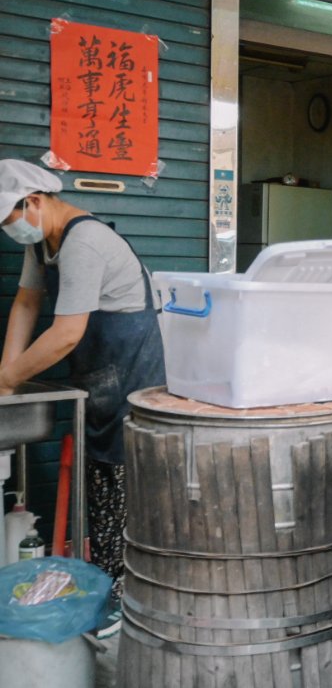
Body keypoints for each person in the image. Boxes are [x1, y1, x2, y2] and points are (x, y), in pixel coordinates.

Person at [0, 159, 166, 638]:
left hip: (130, 371)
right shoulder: (45, 244)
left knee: (121, 481)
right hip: (96, 376)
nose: (9, 231)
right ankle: (109, 585)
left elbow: (68, 332)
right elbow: (26, 304)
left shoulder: (85, 242)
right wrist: (6, 382)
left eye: (8, 220)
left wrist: (12, 376)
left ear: (31, 202)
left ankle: (125, 599)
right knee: (100, 480)